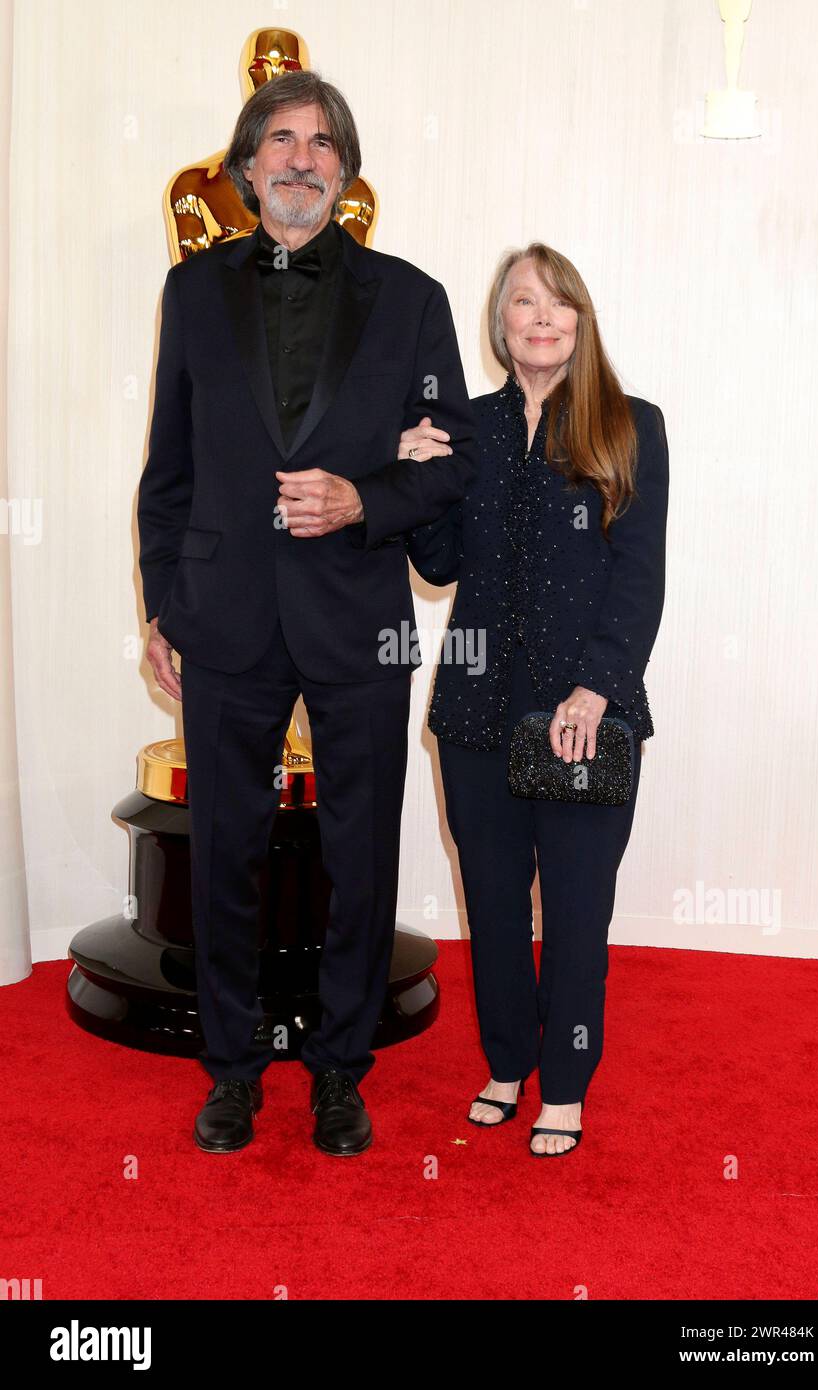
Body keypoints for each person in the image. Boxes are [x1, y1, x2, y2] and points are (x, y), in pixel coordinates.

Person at [137, 71, 476, 1157]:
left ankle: (340, 1068)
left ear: (347, 169)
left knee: (359, 855)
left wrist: (363, 499)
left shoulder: (414, 299)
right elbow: (169, 469)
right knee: (224, 849)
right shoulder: (191, 295)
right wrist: (163, 605)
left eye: (321, 142)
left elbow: (446, 468)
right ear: (246, 168)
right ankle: (232, 1068)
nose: (300, 157)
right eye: (279, 139)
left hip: (360, 616)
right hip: (225, 615)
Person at [406, 243, 668, 1155]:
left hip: (581, 715)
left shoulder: (630, 426)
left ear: (582, 320)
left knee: (577, 907)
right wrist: (418, 475)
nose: (542, 316)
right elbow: (438, 565)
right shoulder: (470, 431)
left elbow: (639, 580)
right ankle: (508, 1065)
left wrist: (597, 688)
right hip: (474, 713)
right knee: (493, 902)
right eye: (524, 302)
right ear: (501, 324)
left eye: (559, 301)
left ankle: (566, 1085)